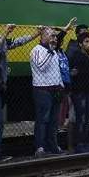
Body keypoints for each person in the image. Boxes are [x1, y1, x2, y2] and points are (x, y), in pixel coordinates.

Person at [0, 24, 43, 162]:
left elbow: (19, 41)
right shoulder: (0, 41)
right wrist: (6, 32)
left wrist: (36, 34)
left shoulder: (2, 41)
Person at [30, 27, 65, 158]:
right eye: (51, 36)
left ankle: (53, 145)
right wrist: (50, 51)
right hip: (42, 90)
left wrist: (61, 86)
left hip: (55, 89)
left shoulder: (54, 52)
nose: (54, 38)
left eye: (55, 36)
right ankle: (40, 147)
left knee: (53, 120)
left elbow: (56, 71)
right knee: (42, 119)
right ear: (43, 36)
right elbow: (41, 66)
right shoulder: (37, 50)